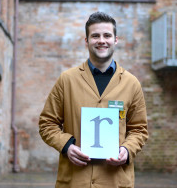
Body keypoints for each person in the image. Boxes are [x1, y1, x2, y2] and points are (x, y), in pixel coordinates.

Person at [39, 12, 148, 188]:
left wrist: (127, 150)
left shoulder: (131, 83)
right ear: (86, 41)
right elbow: (46, 123)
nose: (101, 40)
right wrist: (67, 146)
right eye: (95, 35)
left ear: (116, 40)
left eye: (107, 35)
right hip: (75, 180)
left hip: (115, 180)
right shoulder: (67, 80)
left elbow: (139, 129)